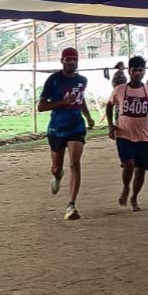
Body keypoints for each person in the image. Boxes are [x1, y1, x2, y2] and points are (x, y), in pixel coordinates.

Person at [37, 47, 96, 220]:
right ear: (62, 61)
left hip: (76, 126)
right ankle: (57, 175)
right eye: (68, 59)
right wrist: (63, 102)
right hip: (57, 128)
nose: (72, 62)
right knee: (57, 167)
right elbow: (41, 106)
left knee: (75, 162)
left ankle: (71, 205)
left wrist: (88, 117)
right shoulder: (53, 80)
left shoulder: (82, 80)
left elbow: (80, 100)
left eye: (74, 59)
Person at [106, 56, 148, 212]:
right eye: (134, 70)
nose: (137, 73)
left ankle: (134, 197)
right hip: (123, 134)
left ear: (144, 71)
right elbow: (109, 105)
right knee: (128, 164)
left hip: (143, 136)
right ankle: (125, 187)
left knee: (141, 170)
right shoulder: (120, 89)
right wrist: (110, 125)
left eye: (140, 70)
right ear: (129, 71)